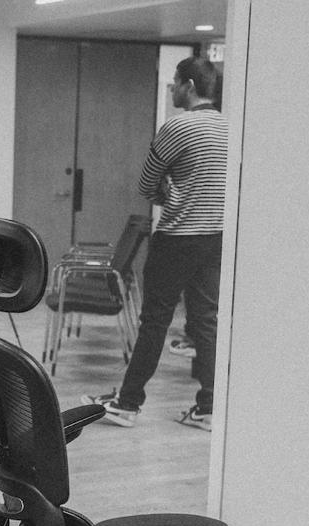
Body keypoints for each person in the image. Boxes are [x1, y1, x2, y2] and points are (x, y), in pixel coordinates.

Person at [85, 56, 227, 432]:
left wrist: (172, 192)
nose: (173, 90)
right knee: (206, 323)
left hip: (177, 238)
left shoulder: (177, 127)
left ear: (190, 86)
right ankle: (209, 407)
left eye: (175, 83)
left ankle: (128, 403)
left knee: (155, 322)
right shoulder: (231, 128)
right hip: (216, 238)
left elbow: (147, 185)